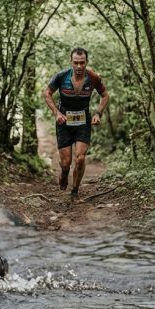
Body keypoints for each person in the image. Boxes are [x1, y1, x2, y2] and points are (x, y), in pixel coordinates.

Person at [43, 47, 110, 198]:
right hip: (64, 121)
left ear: (86, 62)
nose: (79, 67)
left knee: (80, 158)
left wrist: (98, 113)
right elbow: (47, 93)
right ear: (71, 62)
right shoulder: (61, 76)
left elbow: (105, 95)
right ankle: (64, 173)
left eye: (82, 63)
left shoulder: (93, 77)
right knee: (66, 163)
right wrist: (56, 112)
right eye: (76, 63)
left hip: (83, 121)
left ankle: (75, 190)